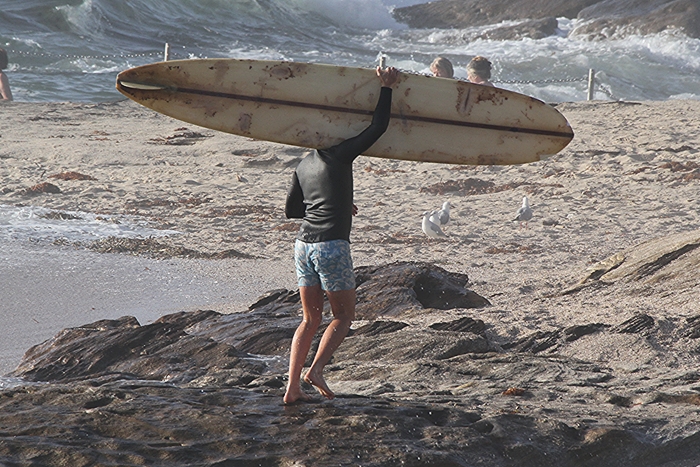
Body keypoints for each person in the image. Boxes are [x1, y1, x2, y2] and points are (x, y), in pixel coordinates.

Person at [283, 65, 399, 404]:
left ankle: (291, 389)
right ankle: (315, 371)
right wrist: (386, 87)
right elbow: (377, 127)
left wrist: (335, 204)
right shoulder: (339, 154)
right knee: (343, 316)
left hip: (302, 246)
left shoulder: (303, 164)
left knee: (309, 319)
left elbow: (292, 210)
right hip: (331, 247)